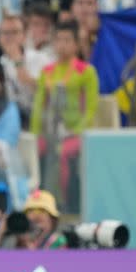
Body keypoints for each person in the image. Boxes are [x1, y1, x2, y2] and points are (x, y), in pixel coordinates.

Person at [30, 21, 99, 207]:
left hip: (75, 133)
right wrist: (36, 134)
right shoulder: (47, 72)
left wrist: (76, 131)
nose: (62, 44)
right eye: (58, 40)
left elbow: (91, 109)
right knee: (33, 151)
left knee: (62, 153)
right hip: (50, 131)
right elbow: (38, 106)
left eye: (67, 40)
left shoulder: (86, 72)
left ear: (77, 44)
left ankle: (64, 205)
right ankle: (37, 202)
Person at [0, 14, 51, 124]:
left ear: (24, 35)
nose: (10, 37)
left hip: (40, 120)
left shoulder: (40, 58)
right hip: (9, 121)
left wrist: (18, 62)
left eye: (15, 32)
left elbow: (47, 93)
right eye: (5, 33)